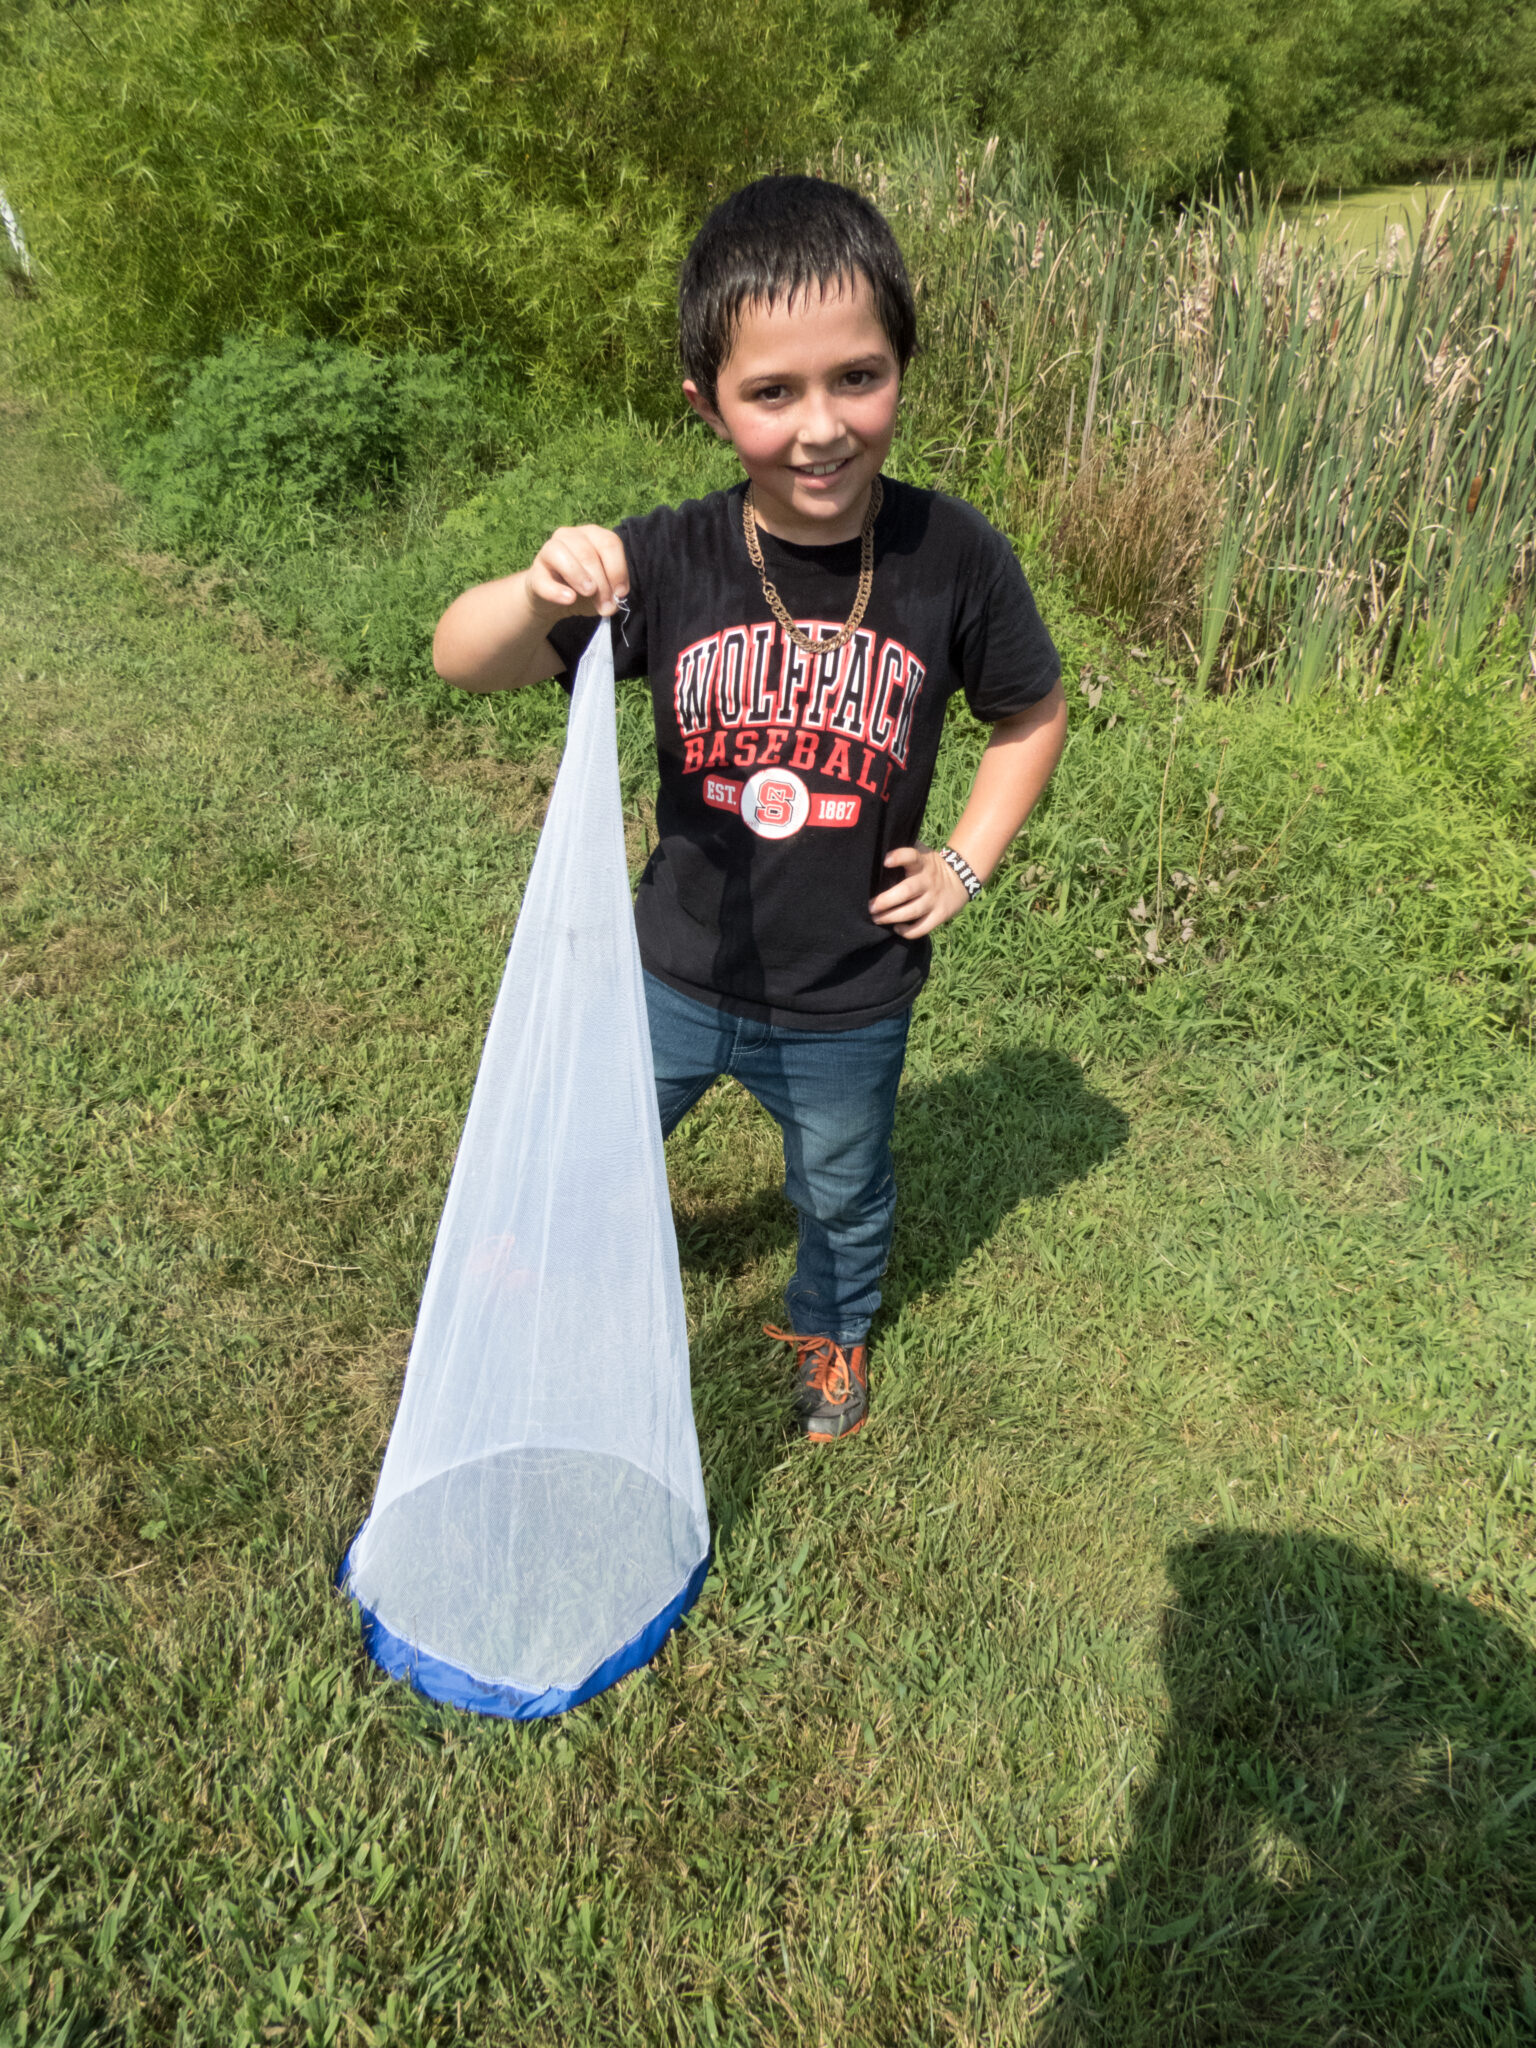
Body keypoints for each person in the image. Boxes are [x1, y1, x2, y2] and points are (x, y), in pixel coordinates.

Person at [432, 174, 1067, 1444]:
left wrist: (964, 862)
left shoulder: (956, 558)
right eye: (772, 392)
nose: (820, 427)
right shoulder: (666, 557)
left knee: (840, 1186)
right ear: (708, 403)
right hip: (666, 964)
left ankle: (831, 1330)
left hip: (848, 991)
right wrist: (541, 590)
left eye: (858, 376)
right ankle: (538, 1266)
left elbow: (1029, 715)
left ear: (902, 365)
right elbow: (463, 656)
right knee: (592, 1139)